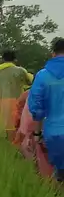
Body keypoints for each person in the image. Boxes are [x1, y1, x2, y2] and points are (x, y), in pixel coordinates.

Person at [29, 38, 64, 181]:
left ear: (53, 54)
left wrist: (37, 134)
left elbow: (37, 109)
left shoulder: (42, 75)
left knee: (59, 175)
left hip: (54, 133)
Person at [0, 50, 33, 138]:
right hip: (17, 100)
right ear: (15, 59)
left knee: (4, 123)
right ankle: (15, 143)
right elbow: (30, 81)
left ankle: (6, 142)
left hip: (0, 101)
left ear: (3, 59)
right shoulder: (20, 70)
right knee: (16, 123)